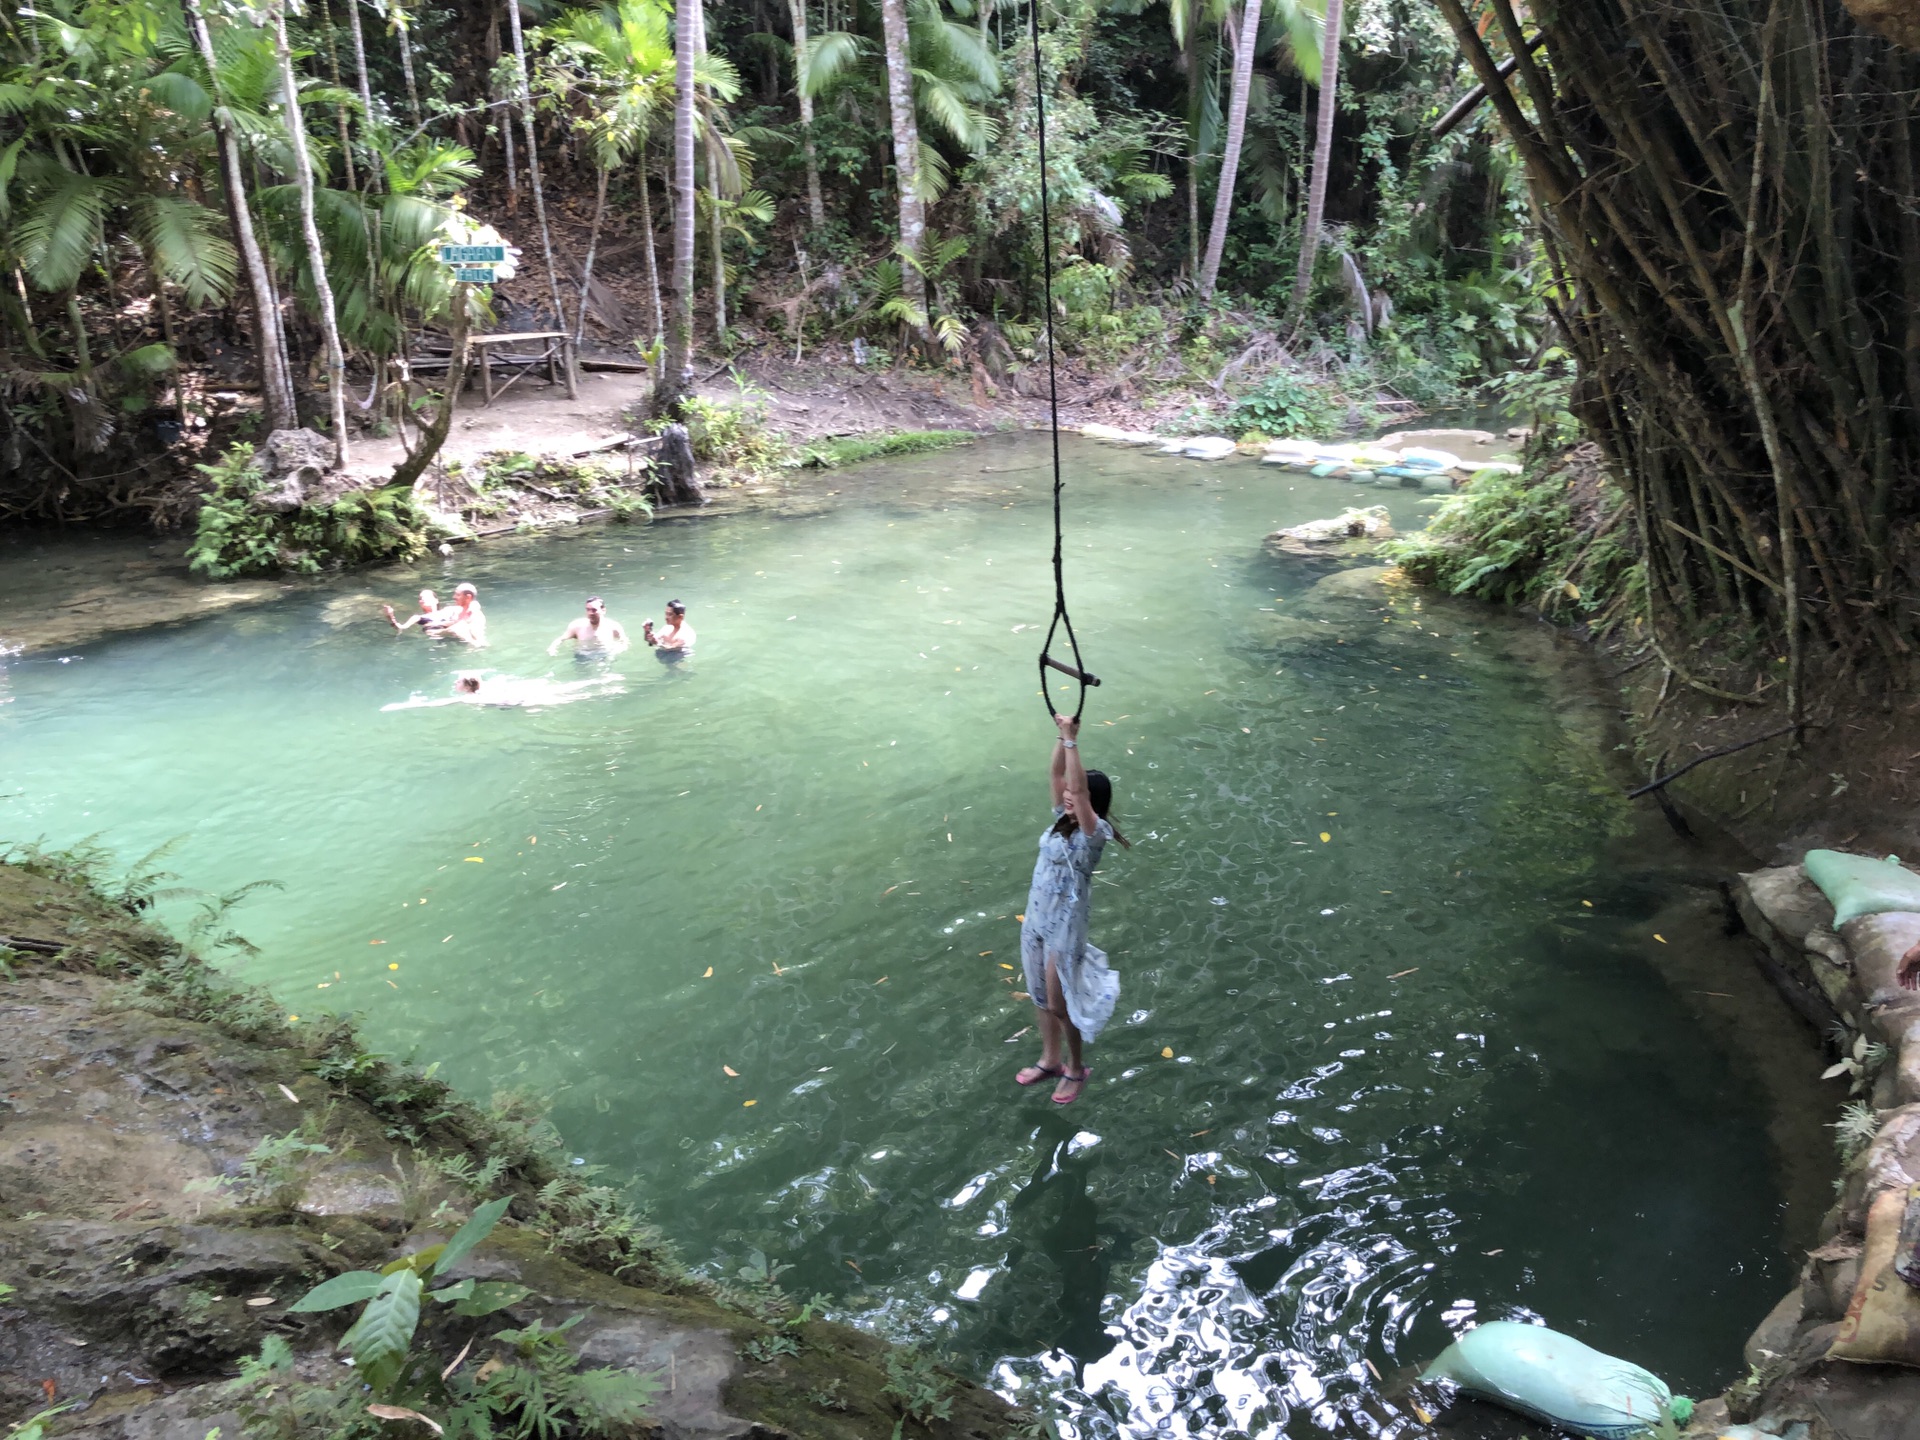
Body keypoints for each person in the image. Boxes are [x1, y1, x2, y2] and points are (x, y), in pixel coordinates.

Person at [1015, 713, 1128, 1106]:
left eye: (1075, 794)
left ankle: (1076, 1069)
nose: (1066, 793)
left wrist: (1072, 742)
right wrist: (1062, 738)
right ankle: (1050, 1060)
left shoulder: (1096, 834)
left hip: (1065, 928)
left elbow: (1078, 793)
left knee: (1061, 1005)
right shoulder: (1060, 820)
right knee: (1040, 997)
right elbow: (1057, 776)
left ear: (1091, 802)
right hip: (1037, 920)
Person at [549, 596, 628, 657]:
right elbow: (561, 639)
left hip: (605, 654)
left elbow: (624, 642)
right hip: (583, 654)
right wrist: (552, 648)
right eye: (588, 610)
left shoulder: (613, 626)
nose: (590, 613)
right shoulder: (577, 626)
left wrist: (617, 650)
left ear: (603, 610)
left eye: (594, 610)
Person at [383, 589, 449, 633]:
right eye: (421, 598)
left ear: (436, 600)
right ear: (420, 603)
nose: (423, 599)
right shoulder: (417, 618)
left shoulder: (447, 611)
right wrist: (390, 617)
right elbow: (401, 628)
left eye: (427, 596)